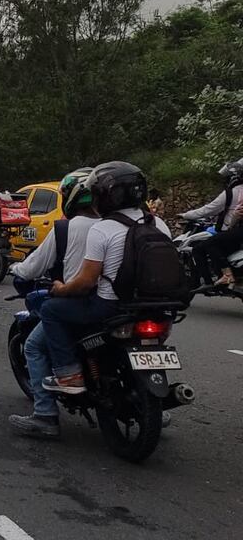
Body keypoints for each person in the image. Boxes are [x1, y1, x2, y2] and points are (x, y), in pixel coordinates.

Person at [40, 161, 170, 394]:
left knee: (50, 310)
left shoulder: (103, 229)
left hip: (111, 306)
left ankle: (68, 374)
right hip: (155, 305)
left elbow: (86, 282)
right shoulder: (158, 223)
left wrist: (60, 289)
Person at [6, 168, 99, 438]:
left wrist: (17, 269)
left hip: (79, 303)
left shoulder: (65, 228)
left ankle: (45, 415)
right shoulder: (119, 224)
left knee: (34, 346)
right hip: (123, 305)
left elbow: (33, 267)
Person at [180, 159, 243, 286]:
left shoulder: (233, 192)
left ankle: (225, 276)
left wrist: (185, 215)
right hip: (237, 231)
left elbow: (208, 209)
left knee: (207, 245)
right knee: (203, 248)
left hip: (239, 231)